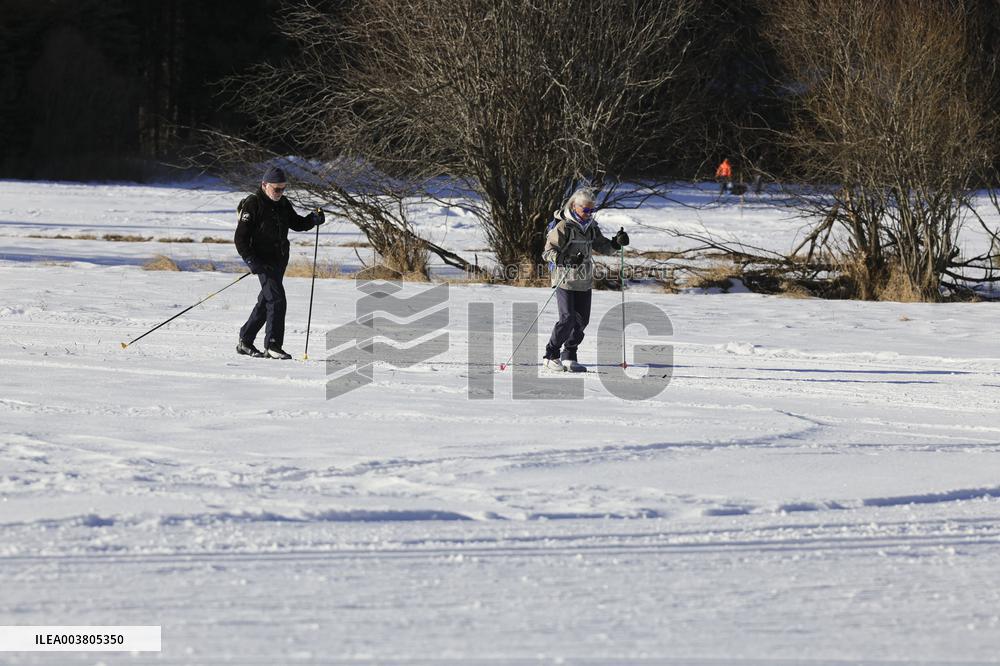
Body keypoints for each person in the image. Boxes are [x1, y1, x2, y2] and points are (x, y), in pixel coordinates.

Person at [234, 166, 324, 359]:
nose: (280, 192)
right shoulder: (253, 204)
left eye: (283, 188)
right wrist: (251, 260)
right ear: (264, 185)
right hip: (262, 262)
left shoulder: (283, 203)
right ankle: (273, 345)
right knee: (276, 300)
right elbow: (240, 238)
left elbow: (297, 223)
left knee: (266, 301)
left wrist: (313, 219)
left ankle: (245, 340)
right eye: (276, 189)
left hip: (279, 260)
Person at [540, 188, 629, 372]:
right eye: (586, 210)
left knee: (581, 321)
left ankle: (569, 355)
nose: (589, 214)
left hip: (584, 279)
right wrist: (565, 259)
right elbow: (547, 252)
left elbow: (603, 247)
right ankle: (551, 355)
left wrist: (616, 243)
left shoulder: (591, 227)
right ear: (574, 206)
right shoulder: (563, 226)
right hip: (565, 278)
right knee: (567, 319)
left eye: (592, 210)